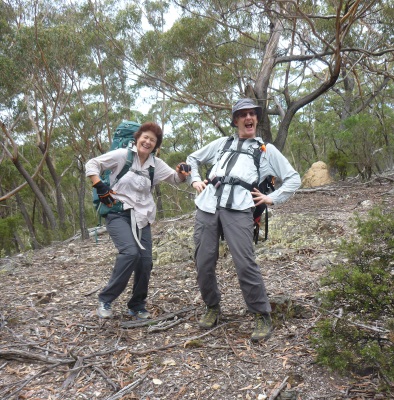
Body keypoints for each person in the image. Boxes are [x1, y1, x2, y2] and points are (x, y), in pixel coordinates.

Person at [186, 98, 301, 342]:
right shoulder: (222, 143)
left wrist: (272, 198)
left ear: (257, 119)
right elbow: (192, 158)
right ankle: (212, 307)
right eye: (243, 114)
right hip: (207, 205)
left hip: (239, 208)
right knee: (203, 260)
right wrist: (194, 179)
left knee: (244, 263)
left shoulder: (266, 150)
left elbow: (293, 178)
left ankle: (261, 313)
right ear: (236, 120)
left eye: (252, 114)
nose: (249, 118)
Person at [86, 122, 191, 319]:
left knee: (145, 262)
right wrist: (99, 185)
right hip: (118, 213)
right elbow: (92, 163)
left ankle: (137, 305)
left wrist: (182, 173)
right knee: (130, 253)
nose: (148, 141)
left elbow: (174, 179)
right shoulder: (122, 156)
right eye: (145, 137)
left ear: (156, 145)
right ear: (137, 138)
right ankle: (105, 299)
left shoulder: (155, 165)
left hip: (142, 218)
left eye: (153, 139)